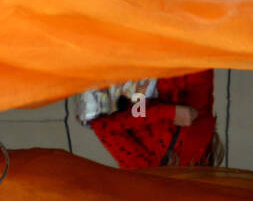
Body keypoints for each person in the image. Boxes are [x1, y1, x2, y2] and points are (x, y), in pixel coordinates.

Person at [84, 71, 224, 169]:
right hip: (190, 63)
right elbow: (203, 100)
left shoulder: (143, 169)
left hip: (148, 61)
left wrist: (167, 112)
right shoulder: (203, 163)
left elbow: (103, 128)